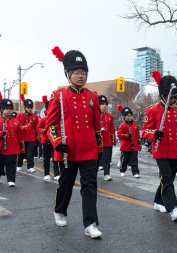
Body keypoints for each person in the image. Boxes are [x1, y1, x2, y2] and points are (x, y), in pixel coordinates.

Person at [47, 47, 103, 238]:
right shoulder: (60, 96)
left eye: (84, 72)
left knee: (90, 186)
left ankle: (90, 224)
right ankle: (60, 210)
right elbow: (51, 124)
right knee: (66, 184)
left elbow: (97, 126)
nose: (81, 76)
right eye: (77, 73)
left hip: (88, 151)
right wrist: (56, 142)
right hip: (67, 150)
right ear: (68, 74)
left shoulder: (93, 97)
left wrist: (100, 149)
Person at [142, 71, 177, 221]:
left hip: (175, 151)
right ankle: (173, 208)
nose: (174, 99)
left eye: (176, 96)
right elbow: (145, 131)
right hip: (160, 150)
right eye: (172, 96)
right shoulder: (153, 110)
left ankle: (158, 201)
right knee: (167, 178)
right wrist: (154, 133)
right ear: (163, 95)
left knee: (167, 179)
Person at [0, 99, 24, 187]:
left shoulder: (16, 121)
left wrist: (21, 146)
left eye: (11, 108)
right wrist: (2, 133)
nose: (9, 110)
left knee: (11, 164)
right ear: (2, 109)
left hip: (12, 147)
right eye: (7, 108)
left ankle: (11, 180)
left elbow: (20, 135)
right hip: (1, 147)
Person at [37, 97, 60, 181]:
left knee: (55, 158)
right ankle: (46, 174)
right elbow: (38, 128)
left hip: (55, 141)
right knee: (46, 159)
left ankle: (57, 174)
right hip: (46, 141)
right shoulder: (43, 119)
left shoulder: (57, 119)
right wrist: (44, 131)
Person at [16, 97, 39, 173]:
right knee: (21, 153)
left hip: (31, 138)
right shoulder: (20, 116)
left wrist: (37, 136)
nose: (30, 109)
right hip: (22, 138)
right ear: (25, 107)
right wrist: (21, 127)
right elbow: (16, 126)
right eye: (28, 107)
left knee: (30, 153)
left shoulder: (35, 117)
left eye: (31, 107)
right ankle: (19, 165)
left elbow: (37, 127)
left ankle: (30, 167)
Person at [118, 106, 141, 178]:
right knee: (124, 160)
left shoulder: (135, 125)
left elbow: (138, 137)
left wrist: (139, 145)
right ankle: (122, 170)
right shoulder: (122, 125)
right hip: (125, 147)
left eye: (130, 115)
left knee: (134, 160)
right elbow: (119, 135)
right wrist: (127, 136)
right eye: (128, 116)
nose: (130, 117)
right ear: (124, 117)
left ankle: (135, 172)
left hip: (134, 147)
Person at [98, 95, 116, 181]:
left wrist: (113, 141)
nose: (104, 105)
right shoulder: (95, 115)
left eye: (105, 104)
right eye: (102, 104)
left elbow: (112, 129)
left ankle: (107, 173)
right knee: (95, 159)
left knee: (107, 158)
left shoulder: (110, 116)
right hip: (97, 141)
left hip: (107, 141)